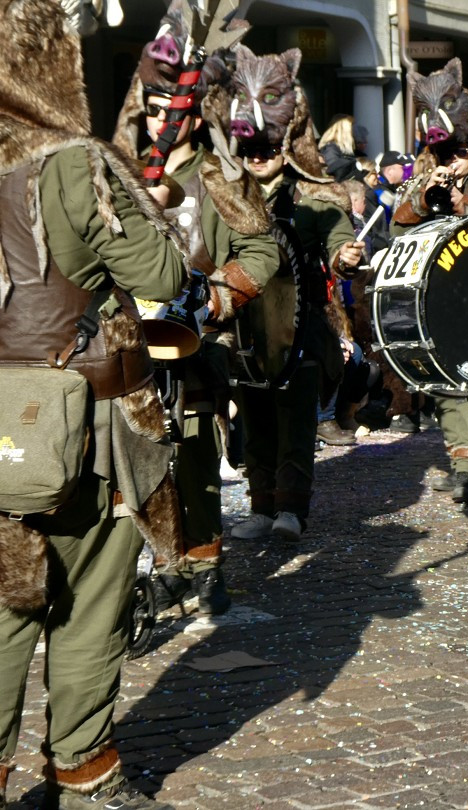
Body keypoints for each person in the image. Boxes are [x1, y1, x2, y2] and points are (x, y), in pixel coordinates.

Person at [0, 2, 188, 806]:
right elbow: (163, 277)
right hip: (80, 422)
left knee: (4, 605)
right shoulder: (74, 164)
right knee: (87, 603)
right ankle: (80, 770)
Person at [119, 76, 279, 617]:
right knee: (135, 466)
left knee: (193, 462)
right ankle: (163, 566)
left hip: (193, 340)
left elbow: (261, 248)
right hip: (123, 345)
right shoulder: (119, 171)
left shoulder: (218, 176)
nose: (159, 123)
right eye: (151, 112)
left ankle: (206, 567)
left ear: (190, 116)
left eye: (170, 110)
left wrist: (216, 299)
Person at [224, 48, 365, 543]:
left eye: (269, 147)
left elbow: (337, 237)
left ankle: (292, 508)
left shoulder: (315, 194)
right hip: (241, 328)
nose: (259, 157)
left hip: (301, 325)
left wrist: (345, 255)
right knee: (255, 423)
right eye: (252, 148)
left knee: (295, 423)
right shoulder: (227, 192)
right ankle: (260, 506)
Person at [392, 136, 468, 504]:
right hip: (437, 295)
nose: (454, 161)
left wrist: (463, 203)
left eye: (461, 153)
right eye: (446, 155)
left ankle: (466, 469)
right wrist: (423, 197)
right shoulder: (425, 184)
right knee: (442, 379)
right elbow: (398, 233)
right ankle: (460, 461)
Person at [318, 114, 361, 183]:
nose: (355, 131)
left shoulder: (342, 149)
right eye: (352, 127)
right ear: (344, 130)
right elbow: (335, 172)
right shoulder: (331, 148)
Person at [374, 150, 410, 220]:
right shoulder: (377, 194)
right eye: (402, 167)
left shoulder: (393, 188)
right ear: (389, 171)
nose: (406, 170)